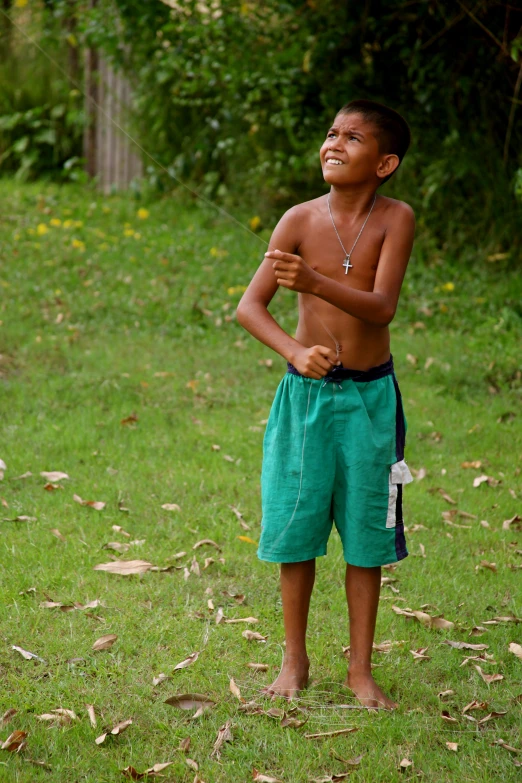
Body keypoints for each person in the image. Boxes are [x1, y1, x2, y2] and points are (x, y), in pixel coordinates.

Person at [236, 99, 415, 710]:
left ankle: (360, 670)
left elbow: (382, 306)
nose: (334, 144)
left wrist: (314, 283)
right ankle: (295, 660)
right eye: (332, 133)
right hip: (305, 405)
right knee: (297, 528)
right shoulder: (297, 220)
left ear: (385, 162)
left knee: (368, 536)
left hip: (370, 403)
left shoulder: (396, 219)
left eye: (354, 138)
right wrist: (293, 350)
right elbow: (249, 306)